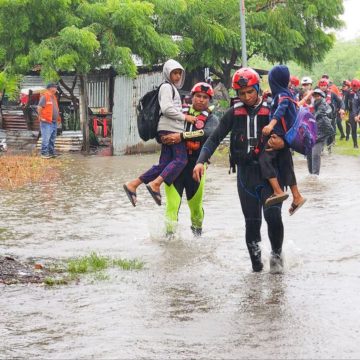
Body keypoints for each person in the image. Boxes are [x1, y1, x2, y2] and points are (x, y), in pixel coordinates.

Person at [193, 67, 291, 273]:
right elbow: (213, 139)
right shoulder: (233, 114)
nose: (246, 97)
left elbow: (295, 134)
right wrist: (201, 161)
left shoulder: (274, 109)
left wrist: (284, 142)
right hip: (246, 176)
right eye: (241, 93)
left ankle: (277, 262)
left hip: (271, 174)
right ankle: (256, 268)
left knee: (273, 217)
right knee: (252, 224)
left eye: (250, 92)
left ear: (258, 89)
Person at [123, 59, 197, 206]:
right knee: (181, 160)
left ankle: (133, 184)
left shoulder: (170, 88)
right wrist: (186, 117)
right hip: (171, 129)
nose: (177, 76)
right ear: (167, 74)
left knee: (163, 164)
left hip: (167, 128)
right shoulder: (166, 87)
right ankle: (155, 184)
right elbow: (167, 109)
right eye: (174, 73)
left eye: (179, 73)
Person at [160, 82, 219, 236]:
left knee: (196, 208)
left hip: (196, 167)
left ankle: (197, 237)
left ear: (209, 100)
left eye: (205, 97)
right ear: (192, 97)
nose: (201, 100)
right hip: (175, 165)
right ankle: (169, 241)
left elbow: (207, 133)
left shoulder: (212, 119)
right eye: (198, 96)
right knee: (172, 206)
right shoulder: (178, 114)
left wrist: (181, 136)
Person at [260, 65, 306, 213]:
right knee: (286, 164)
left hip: (278, 134)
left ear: (275, 81)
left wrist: (271, 124)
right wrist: (267, 97)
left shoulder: (282, 96)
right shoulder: (287, 93)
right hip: (286, 137)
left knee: (264, 159)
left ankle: (278, 190)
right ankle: (297, 196)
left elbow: (280, 110)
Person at [306, 89, 335, 175]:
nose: (316, 97)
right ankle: (311, 175)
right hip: (312, 132)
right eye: (315, 96)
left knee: (315, 154)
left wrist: (311, 118)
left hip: (322, 133)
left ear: (322, 96)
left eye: (318, 95)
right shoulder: (313, 104)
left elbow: (319, 113)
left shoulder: (323, 104)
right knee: (309, 154)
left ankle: (315, 176)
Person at [317, 78, 345, 147]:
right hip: (320, 117)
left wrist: (342, 109)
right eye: (321, 85)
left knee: (330, 133)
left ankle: (329, 150)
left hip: (331, 116)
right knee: (320, 133)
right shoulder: (316, 95)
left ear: (327, 86)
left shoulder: (332, 94)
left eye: (324, 85)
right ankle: (321, 149)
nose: (323, 87)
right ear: (319, 86)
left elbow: (341, 102)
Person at [37, 83, 61, 159]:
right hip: (46, 122)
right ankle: (44, 153)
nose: (56, 89)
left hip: (53, 121)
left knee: (52, 138)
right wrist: (40, 117)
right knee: (46, 137)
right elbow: (39, 107)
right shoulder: (45, 96)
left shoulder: (53, 97)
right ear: (50, 88)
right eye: (55, 88)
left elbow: (56, 109)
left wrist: (58, 118)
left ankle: (51, 153)